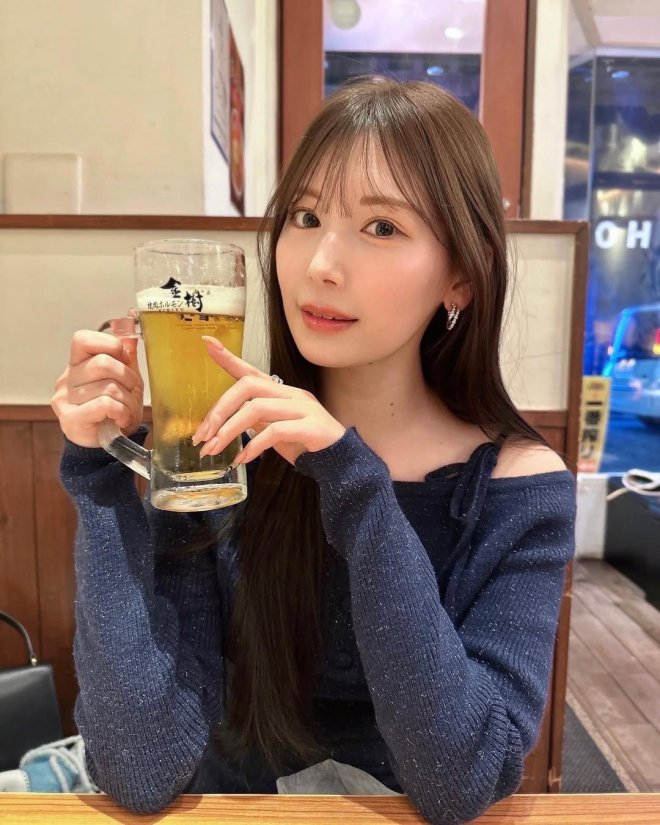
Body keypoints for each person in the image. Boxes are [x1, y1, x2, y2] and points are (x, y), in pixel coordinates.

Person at [51, 77, 576, 824]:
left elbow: (462, 780)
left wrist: (351, 480)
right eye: (306, 216)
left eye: (382, 227)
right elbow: (141, 767)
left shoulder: (520, 490)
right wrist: (99, 474)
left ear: (461, 276)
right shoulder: (222, 451)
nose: (322, 263)